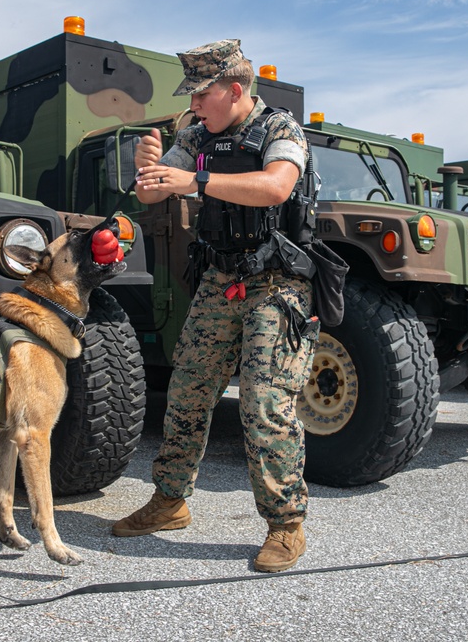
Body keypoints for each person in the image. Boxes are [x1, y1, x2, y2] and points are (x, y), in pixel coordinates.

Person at [111, 39, 316, 573]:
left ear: (235, 89)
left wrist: (195, 179)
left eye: (202, 95)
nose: (195, 105)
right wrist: (146, 170)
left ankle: (285, 525)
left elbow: (275, 188)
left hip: (276, 282)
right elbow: (153, 194)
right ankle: (169, 501)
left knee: (264, 404)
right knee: (186, 392)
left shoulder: (280, 131)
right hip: (221, 277)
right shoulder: (196, 136)